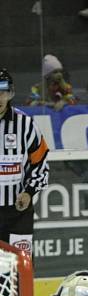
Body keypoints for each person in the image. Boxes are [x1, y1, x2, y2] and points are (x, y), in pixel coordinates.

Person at [0, 68, 49, 254]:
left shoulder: (25, 124)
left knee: (21, 267)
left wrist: (29, 192)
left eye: (2, 92)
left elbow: (41, 162)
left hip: (18, 212)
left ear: (10, 92)